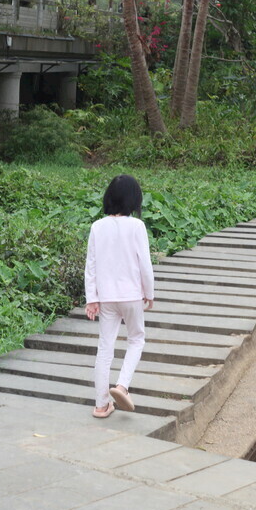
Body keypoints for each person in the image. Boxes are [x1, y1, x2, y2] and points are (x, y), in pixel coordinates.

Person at [84, 174, 155, 418]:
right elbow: (144, 264)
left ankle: (101, 404)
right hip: (131, 295)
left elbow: (91, 265)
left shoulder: (97, 227)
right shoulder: (137, 226)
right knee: (136, 339)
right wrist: (150, 292)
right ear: (134, 200)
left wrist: (91, 298)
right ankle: (122, 386)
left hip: (106, 298)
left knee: (105, 347)